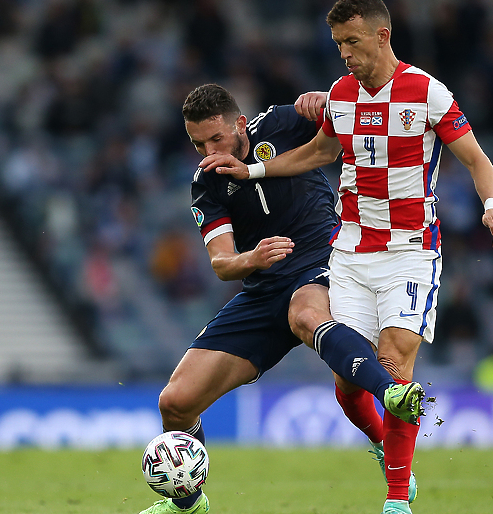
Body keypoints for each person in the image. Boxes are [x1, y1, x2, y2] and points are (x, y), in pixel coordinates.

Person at [200, 0, 493, 514]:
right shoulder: (342, 94)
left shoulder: (428, 93)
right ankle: (382, 446)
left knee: (394, 363)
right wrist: (251, 170)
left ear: (381, 35)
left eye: (352, 41)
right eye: (338, 43)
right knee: (350, 384)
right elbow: (317, 152)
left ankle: (396, 500)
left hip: (411, 252)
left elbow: (477, 160)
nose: (344, 53)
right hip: (349, 253)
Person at [139, 84, 424, 514]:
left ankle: (390, 393)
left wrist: (323, 98)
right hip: (262, 288)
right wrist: (250, 258)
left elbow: (352, 108)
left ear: (239, 124)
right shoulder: (207, 184)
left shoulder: (280, 123)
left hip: (323, 262)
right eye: (198, 143)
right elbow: (221, 263)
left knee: (306, 314)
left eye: (216, 139)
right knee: (175, 403)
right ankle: (189, 504)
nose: (207, 151)